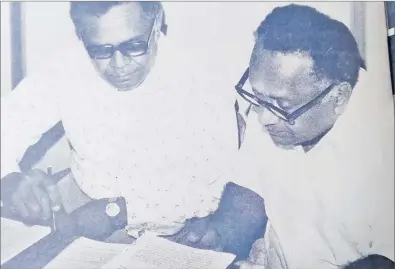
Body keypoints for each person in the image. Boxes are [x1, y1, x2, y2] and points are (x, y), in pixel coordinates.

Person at [1, 1, 266, 258]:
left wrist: (115, 212)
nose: (119, 64)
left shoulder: (202, 80)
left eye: (134, 46)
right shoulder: (66, 66)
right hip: (81, 212)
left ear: (157, 22)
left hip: (178, 235)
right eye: (101, 50)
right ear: (81, 35)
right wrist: (9, 181)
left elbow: (211, 190)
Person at [230, 4, 394, 268]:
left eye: (281, 107)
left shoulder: (384, 141)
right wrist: (210, 239)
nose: (263, 118)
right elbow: (247, 195)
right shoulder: (272, 103)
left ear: (338, 97)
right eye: (258, 98)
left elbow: (386, 260)